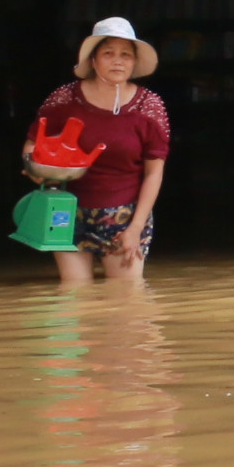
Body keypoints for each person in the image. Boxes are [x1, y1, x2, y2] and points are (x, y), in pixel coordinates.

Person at [34, 17, 170, 283]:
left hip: (125, 216)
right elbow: (33, 144)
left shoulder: (150, 107)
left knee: (126, 301)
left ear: (133, 62)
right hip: (67, 212)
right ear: (93, 61)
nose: (117, 61)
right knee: (74, 294)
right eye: (108, 53)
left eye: (125, 55)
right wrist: (35, 168)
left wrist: (136, 228)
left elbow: (154, 173)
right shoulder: (63, 100)